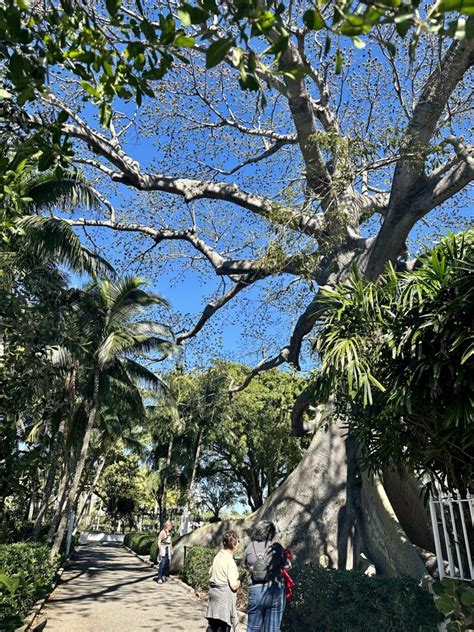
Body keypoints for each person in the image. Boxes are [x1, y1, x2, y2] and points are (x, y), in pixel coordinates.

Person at [244, 521, 289, 632]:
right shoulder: (277, 547)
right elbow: (287, 565)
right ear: (272, 533)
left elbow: (245, 564)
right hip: (274, 590)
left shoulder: (250, 547)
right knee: (273, 629)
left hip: (255, 590)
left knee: (253, 629)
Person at [206, 530, 241, 632]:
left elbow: (210, 572)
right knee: (224, 626)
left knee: (213, 626)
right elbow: (233, 585)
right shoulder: (230, 561)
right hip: (224, 599)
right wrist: (239, 582)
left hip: (213, 595)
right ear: (234, 544)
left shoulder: (218, 556)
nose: (238, 545)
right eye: (238, 542)